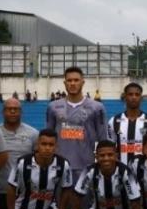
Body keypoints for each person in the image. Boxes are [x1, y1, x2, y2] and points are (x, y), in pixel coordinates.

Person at [45, 66, 108, 200]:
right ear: (64, 83)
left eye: (76, 80)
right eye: (69, 80)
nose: (73, 83)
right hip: (59, 167)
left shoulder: (97, 107)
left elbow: (103, 140)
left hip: (86, 167)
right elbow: (47, 138)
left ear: (82, 82)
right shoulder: (53, 107)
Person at [4, 129, 74, 209]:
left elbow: (67, 191)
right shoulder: (23, 162)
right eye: (44, 144)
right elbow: (11, 188)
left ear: (56, 147)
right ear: (37, 145)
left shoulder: (63, 165)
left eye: (51, 145)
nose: (47, 148)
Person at [72, 140, 143, 209]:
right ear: (96, 157)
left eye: (110, 155)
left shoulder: (126, 173)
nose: (106, 158)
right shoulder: (89, 171)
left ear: (116, 156)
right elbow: (76, 198)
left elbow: (136, 202)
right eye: (102, 155)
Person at [0, 98, 38, 209]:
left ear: (21, 112)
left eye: (16, 109)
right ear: (3, 112)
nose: (13, 111)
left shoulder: (33, 134)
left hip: (23, 195)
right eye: (9, 108)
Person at [107, 82, 147, 165]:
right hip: (122, 170)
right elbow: (110, 148)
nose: (134, 97)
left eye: (137, 94)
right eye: (130, 94)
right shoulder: (113, 121)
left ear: (141, 98)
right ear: (125, 97)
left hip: (144, 170)